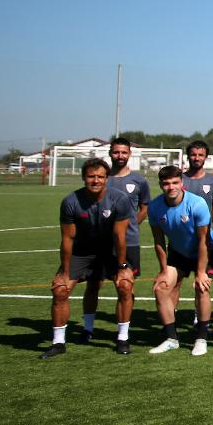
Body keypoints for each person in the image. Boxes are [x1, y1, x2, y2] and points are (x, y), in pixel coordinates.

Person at [40, 159, 135, 358]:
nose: (95, 180)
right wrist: (65, 272)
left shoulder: (120, 199)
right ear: (84, 177)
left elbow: (120, 236)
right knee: (60, 290)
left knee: (125, 285)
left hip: (110, 251)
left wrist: (123, 266)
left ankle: (123, 338)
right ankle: (59, 342)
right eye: (91, 176)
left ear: (106, 178)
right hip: (81, 251)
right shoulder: (70, 202)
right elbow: (67, 239)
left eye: (100, 176)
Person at [148, 165, 213, 356]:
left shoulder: (196, 204)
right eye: (166, 184)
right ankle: (172, 339)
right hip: (179, 252)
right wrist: (164, 269)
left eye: (175, 182)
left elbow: (203, 241)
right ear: (160, 185)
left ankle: (202, 338)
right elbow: (158, 241)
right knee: (161, 287)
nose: (171, 187)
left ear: (182, 183)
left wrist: (200, 272)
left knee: (201, 287)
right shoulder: (155, 207)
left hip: (207, 250)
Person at [97, 137, 147, 343]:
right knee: (94, 284)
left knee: (126, 286)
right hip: (101, 243)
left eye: (124, 152)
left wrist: (127, 224)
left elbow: (145, 207)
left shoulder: (139, 180)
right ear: (110, 153)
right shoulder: (101, 178)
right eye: (116, 152)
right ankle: (88, 327)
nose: (120, 156)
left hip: (130, 242)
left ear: (129, 154)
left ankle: (124, 329)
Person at [182, 140, 213, 221]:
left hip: (204, 230)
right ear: (188, 156)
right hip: (182, 227)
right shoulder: (179, 179)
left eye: (200, 155)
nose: (197, 158)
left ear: (206, 157)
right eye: (193, 155)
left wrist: (207, 223)